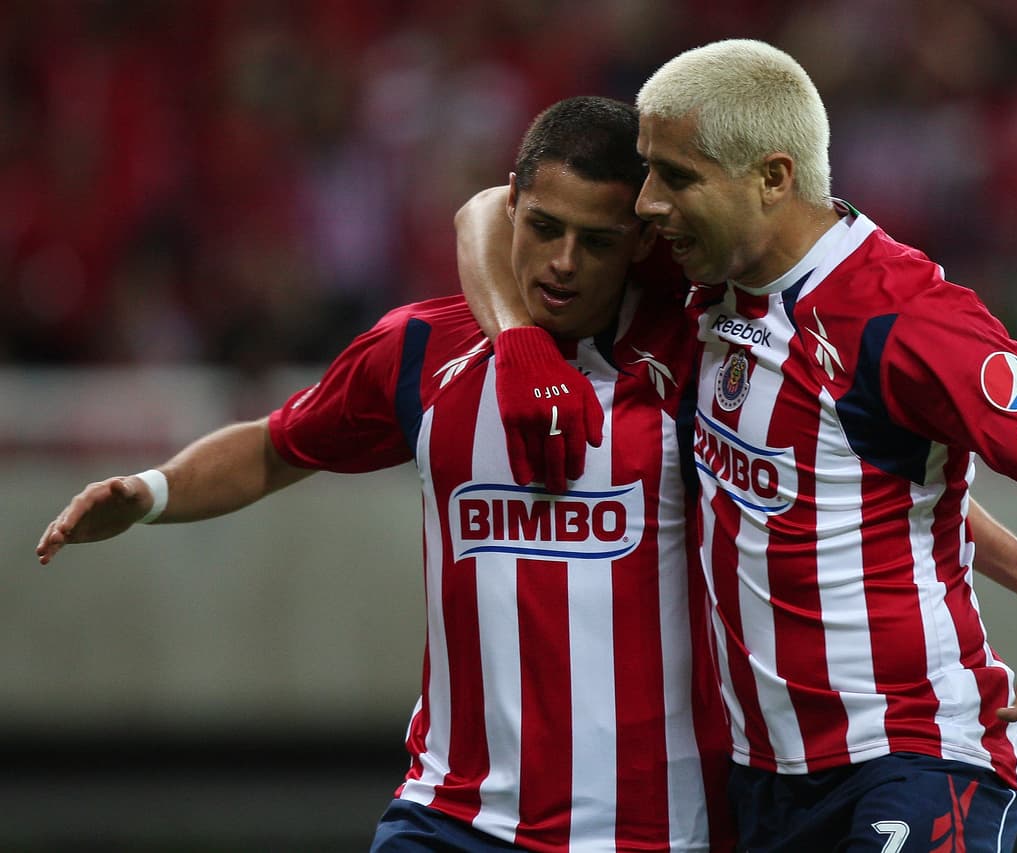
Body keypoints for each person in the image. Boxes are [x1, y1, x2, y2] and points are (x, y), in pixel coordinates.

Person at [459, 39, 1017, 852]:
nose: (646, 203)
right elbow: (483, 213)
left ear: (773, 177)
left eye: (675, 176)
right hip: (766, 782)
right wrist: (520, 346)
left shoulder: (905, 318)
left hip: (914, 756)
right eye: (648, 171)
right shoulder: (707, 281)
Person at [35, 96, 734, 853]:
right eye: (543, 227)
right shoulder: (423, 350)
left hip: (653, 832)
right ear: (513, 205)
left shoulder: (701, 361)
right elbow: (277, 445)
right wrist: (151, 491)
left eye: (597, 241)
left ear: (640, 242)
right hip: (452, 820)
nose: (563, 261)